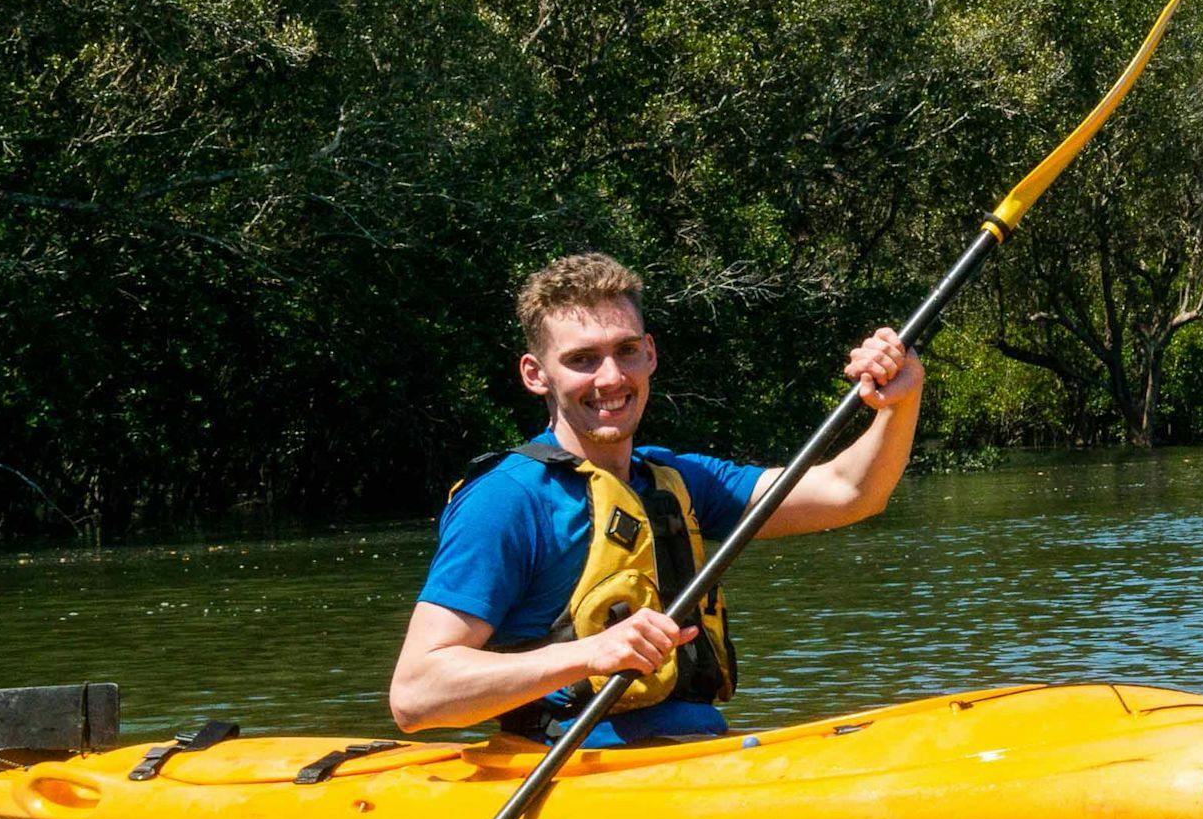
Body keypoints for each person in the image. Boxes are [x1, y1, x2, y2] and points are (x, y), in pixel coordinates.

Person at [389, 252, 922, 741]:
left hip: (693, 751)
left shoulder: (677, 479)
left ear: (650, 354)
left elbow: (850, 491)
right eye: (582, 359)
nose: (611, 377)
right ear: (536, 374)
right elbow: (416, 694)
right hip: (576, 772)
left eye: (626, 351)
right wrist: (587, 654)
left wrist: (899, 400)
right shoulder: (508, 500)